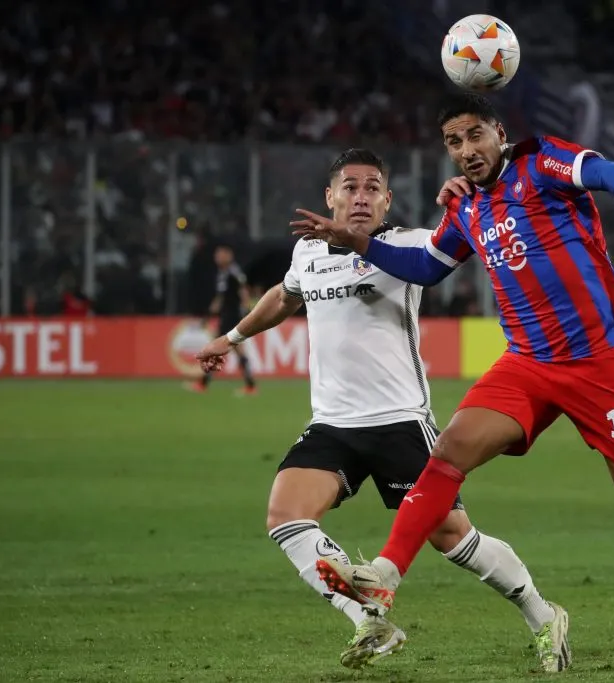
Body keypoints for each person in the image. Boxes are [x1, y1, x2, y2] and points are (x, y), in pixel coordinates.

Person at [291, 94, 614, 636]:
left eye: (475, 135)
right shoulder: (464, 207)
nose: (467, 149)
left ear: (498, 133)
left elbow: (597, 170)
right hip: (527, 362)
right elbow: (427, 267)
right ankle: (384, 575)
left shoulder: (538, 165)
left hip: (598, 363)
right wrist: (358, 241)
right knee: (447, 453)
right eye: (454, 142)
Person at [195, 148, 568, 672]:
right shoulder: (307, 251)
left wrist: (468, 201)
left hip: (400, 423)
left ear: (388, 199)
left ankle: (543, 614)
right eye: (350, 187)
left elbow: (461, 244)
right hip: (332, 424)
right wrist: (231, 337)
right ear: (330, 197)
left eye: (373, 188)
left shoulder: (405, 246)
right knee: (285, 516)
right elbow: (285, 296)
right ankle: (369, 620)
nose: (362, 196)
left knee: (454, 538)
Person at [189, 244, 257, 394]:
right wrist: (208, 316)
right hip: (227, 316)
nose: (217, 257)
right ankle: (250, 385)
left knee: (215, 349)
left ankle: (203, 384)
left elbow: (243, 291)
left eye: (220, 254)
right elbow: (220, 299)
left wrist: (247, 312)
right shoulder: (223, 273)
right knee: (238, 351)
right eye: (216, 255)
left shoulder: (233, 272)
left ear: (228, 255)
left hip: (232, 317)